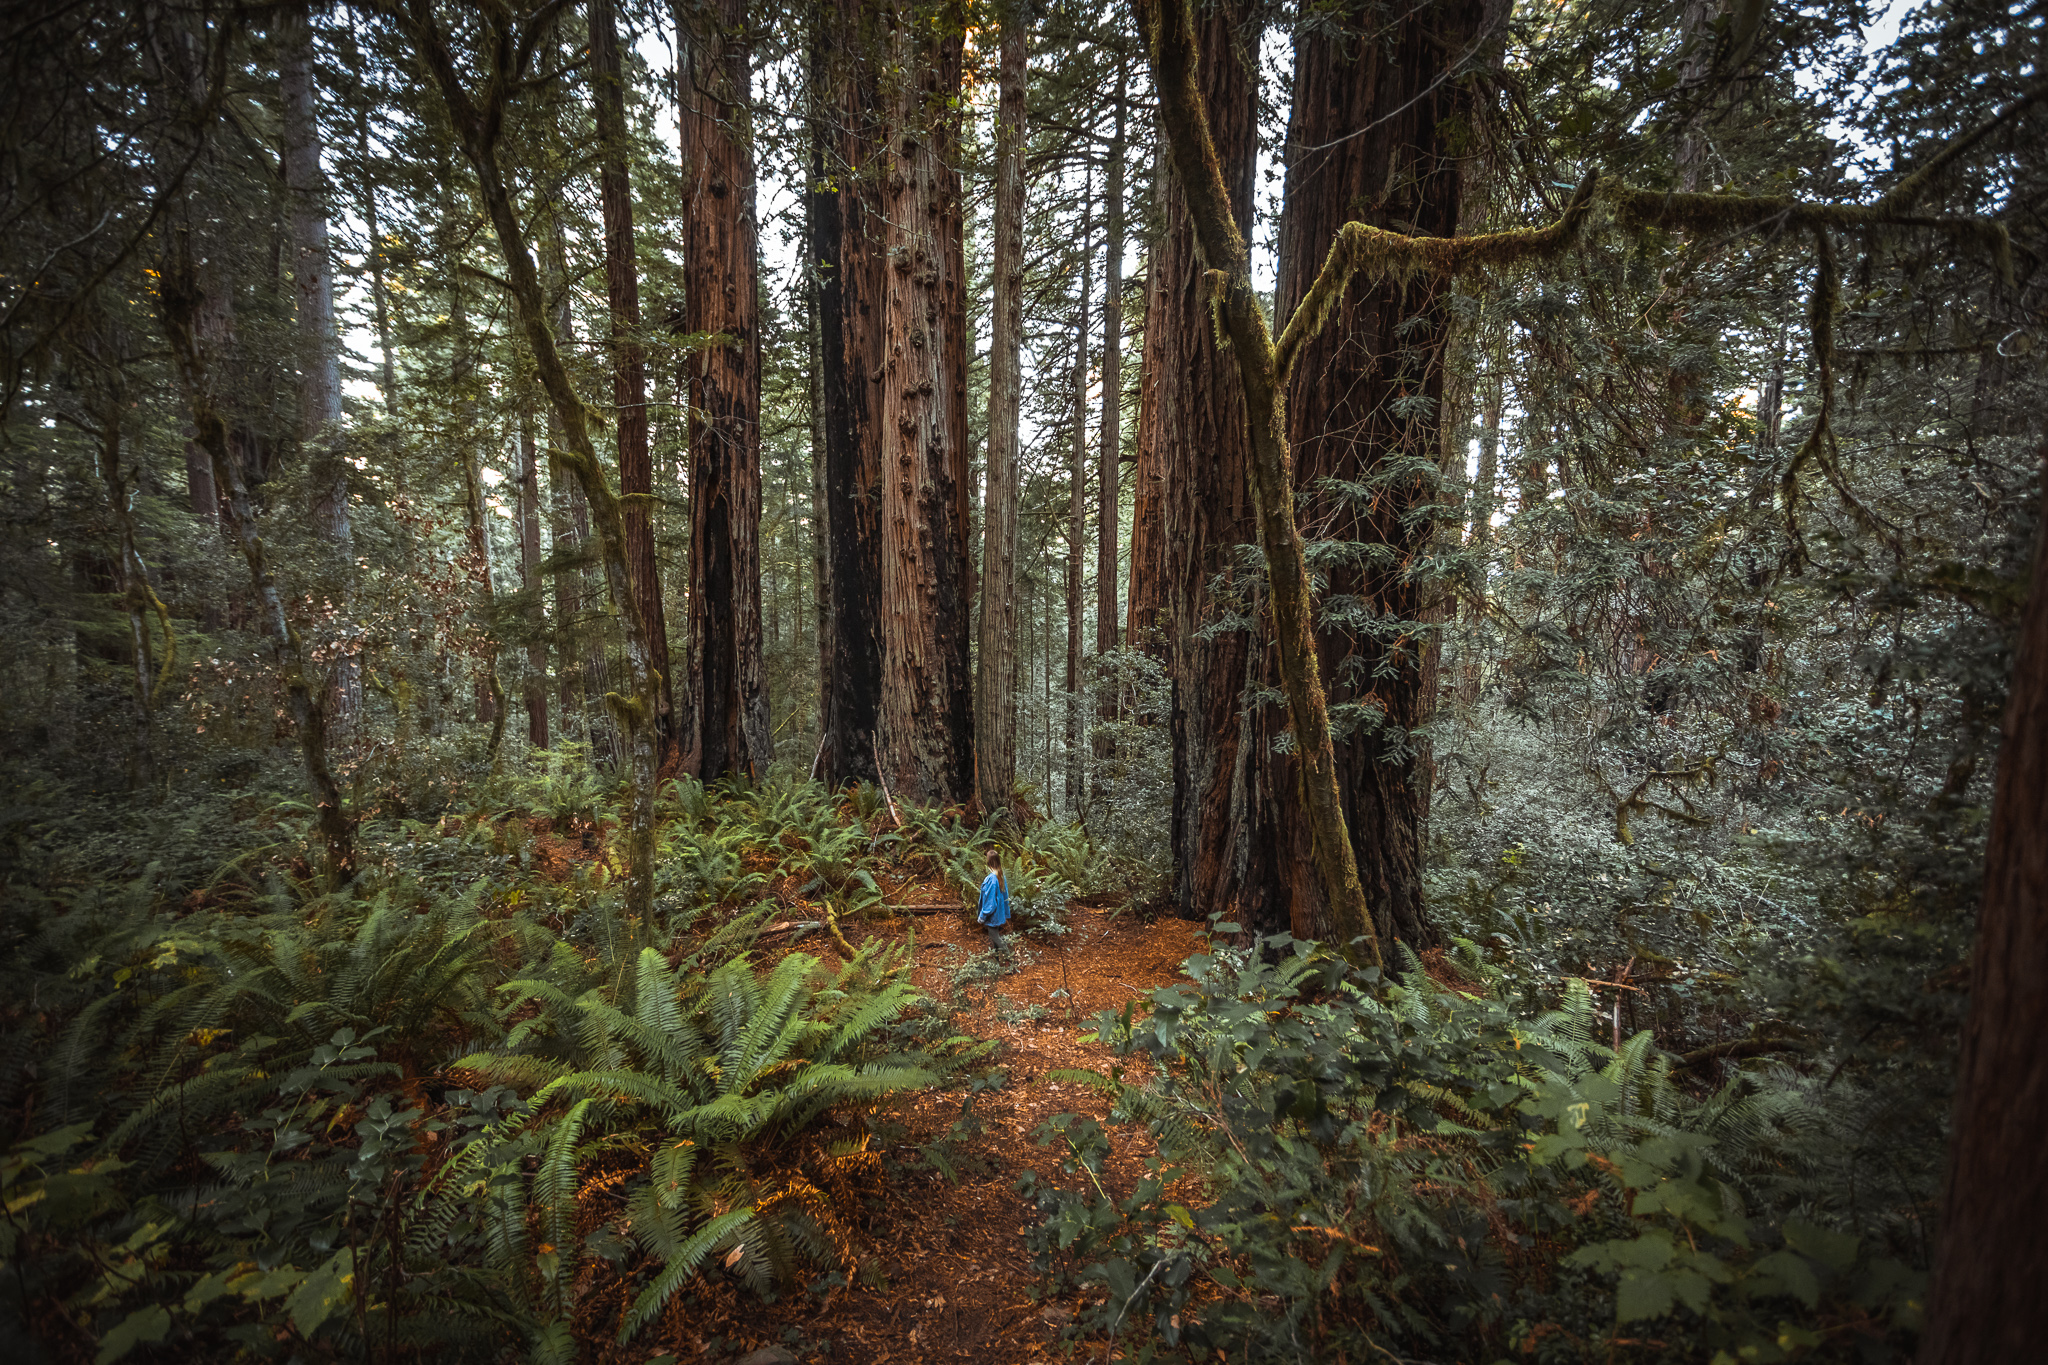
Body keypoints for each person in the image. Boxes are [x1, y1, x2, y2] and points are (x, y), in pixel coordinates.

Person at [976, 848, 1011, 959]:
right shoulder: (1000, 875)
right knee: (995, 938)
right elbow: (1005, 896)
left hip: (993, 915)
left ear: (988, 862)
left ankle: (1011, 962)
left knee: (995, 937)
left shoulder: (992, 879)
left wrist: (982, 916)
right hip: (999, 913)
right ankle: (996, 962)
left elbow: (990, 902)